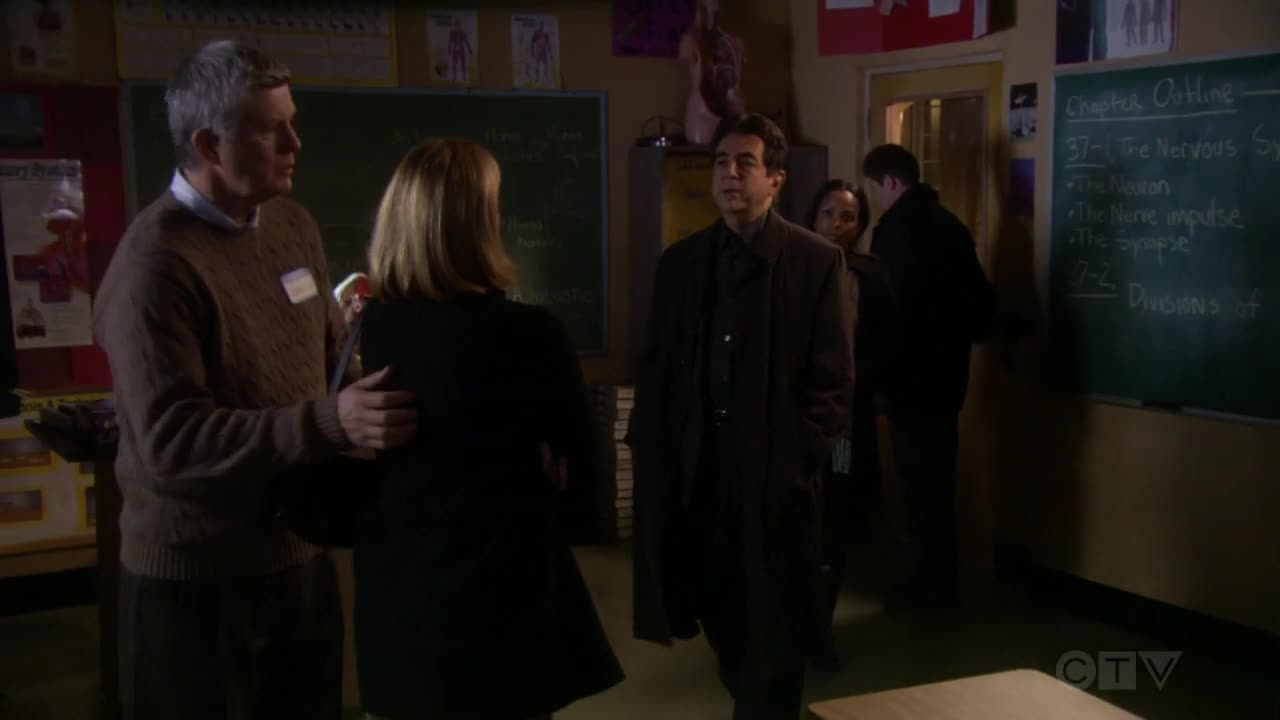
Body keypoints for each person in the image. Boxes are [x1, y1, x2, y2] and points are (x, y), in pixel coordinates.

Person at [92, 40, 418, 720]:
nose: (295, 143)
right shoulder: (154, 266)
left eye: (291, 121)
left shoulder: (293, 225)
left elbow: (331, 354)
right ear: (209, 145)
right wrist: (330, 422)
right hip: (198, 587)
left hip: (299, 559)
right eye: (272, 129)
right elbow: (173, 442)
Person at [350, 138, 624, 720]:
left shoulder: (368, 330)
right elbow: (583, 491)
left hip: (402, 606)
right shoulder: (529, 335)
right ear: (480, 225)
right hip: (503, 608)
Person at [629, 113, 854, 719]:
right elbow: (658, 368)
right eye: (721, 162)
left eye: (745, 163)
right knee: (721, 617)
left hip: (771, 481)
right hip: (700, 476)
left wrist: (793, 461)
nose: (729, 173)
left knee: (775, 635)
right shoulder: (683, 262)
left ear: (775, 179)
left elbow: (834, 382)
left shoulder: (813, 262)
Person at [860, 144, 996, 611]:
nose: (874, 198)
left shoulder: (896, 232)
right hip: (945, 379)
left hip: (908, 382)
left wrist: (880, 380)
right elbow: (980, 309)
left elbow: (888, 314)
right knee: (937, 485)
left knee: (918, 489)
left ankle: (927, 584)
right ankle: (940, 580)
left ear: (889, 182)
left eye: (873, 188)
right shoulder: (950, 226)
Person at [804, 180, 894, 612]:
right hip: (798, 408)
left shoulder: (869, 274)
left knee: (837, 489)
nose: (835, 225)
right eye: (828, 214)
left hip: (845, 415)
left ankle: (825, 595)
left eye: (847, 217)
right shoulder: (792, 264)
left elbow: (885, 340)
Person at [679, 0, 746, 145]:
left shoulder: (733, 43)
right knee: (703, 150)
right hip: (703, 110)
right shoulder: (691, 40)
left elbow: (735, 81)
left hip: (730, 110)